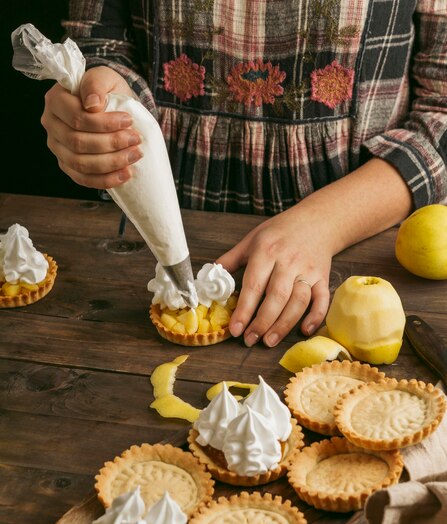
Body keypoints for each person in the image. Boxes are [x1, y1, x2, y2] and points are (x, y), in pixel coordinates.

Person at [41, 1, 447, 348]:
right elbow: (99, 44)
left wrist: (327, 222)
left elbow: (441, 112)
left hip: (365, 250)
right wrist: (103, 106)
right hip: (143, 249)